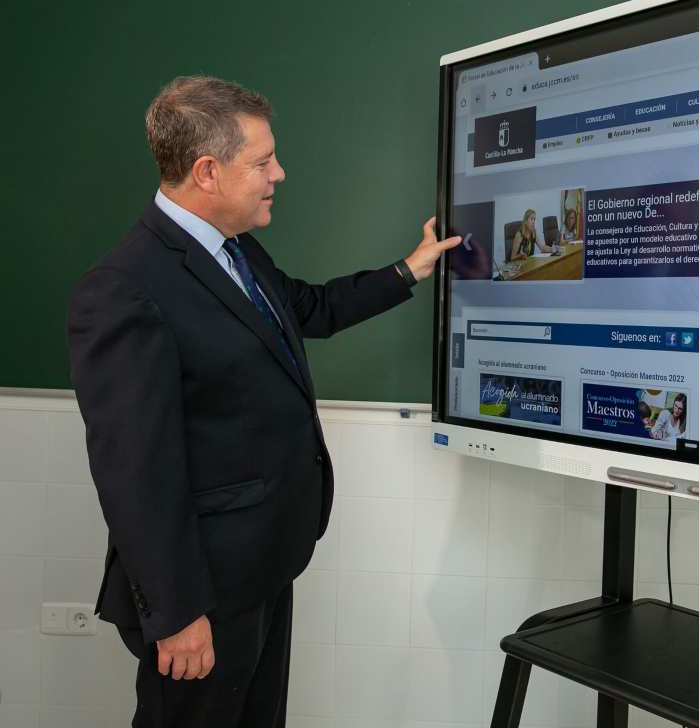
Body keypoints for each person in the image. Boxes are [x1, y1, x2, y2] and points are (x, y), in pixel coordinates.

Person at [65, 75, 460, 728]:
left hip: (261, 564)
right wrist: (179, 614)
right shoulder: (125, 289)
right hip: (204, 593)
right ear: (208, 171)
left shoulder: (233, 249)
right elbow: (135, 472)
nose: (280, 172)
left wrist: (408, 270)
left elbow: (306, 308)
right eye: (263, 161)